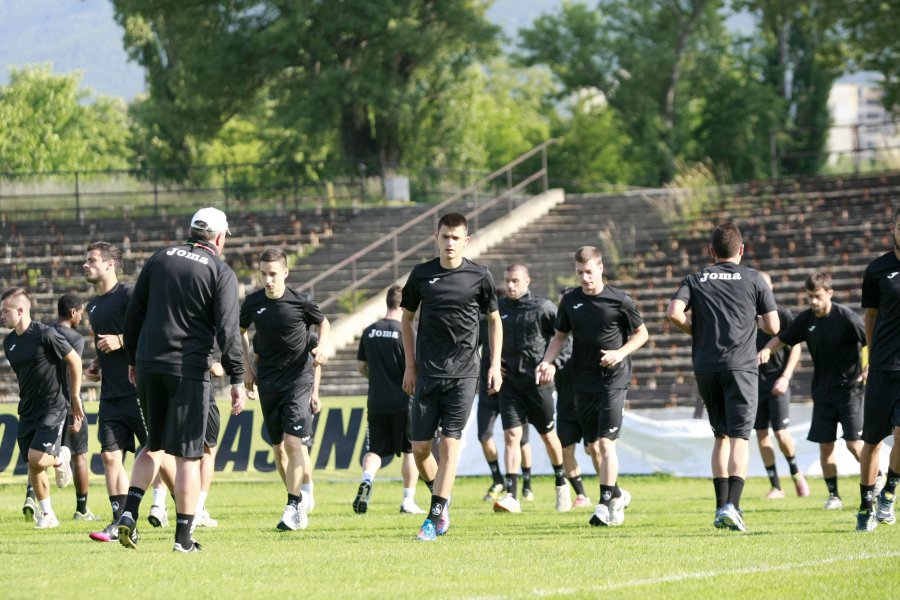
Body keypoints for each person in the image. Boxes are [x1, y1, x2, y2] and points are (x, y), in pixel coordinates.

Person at [117, 207, 246, 552]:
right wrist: (237, 378)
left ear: (192, 231)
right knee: (189, 457)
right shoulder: (220, 272)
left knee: (153, 445)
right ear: (219, 238)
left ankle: (128, 513)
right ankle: (183, 539)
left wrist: (132, 359)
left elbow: (134, 314)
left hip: (148, 363)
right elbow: (228, 331)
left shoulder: (159, 259)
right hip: (187, 370)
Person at [666, 223, 779, 532]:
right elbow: (774, 325)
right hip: (741, 366)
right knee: (741, 437)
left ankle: (720, 508)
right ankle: (734, 506)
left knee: (720, 436)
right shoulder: (754, 278)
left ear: (711, 252)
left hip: (706, 367)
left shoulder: (696, 278)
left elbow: (673, 312)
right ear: (741, 250)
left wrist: (695, 331)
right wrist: (751, 320)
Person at [401, 212, 502, 541]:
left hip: (463, 374)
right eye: (445, 237)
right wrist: (410, 366)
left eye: (456, 238)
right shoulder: (421, 275)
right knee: (419, 449)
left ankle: (433, 519)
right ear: (436, 237)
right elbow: (406, 319)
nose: (450, 243)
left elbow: (494, 320)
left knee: (449, 445)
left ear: (466, 240)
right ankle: (441, 501)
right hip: (428, 373)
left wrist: (493, 363)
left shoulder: (480, 276)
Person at [537, 247, 648, 527]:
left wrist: (620, 353)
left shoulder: (619, 300)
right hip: (582, 382)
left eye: (589, 272)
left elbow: (642, 333)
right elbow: (560, 336)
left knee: (605, 443)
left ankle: (605, 504)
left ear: (600, 268)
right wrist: (547, 361)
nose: (585, 278)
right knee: (592, 449)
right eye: (579, 273)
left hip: (614, 379)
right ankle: (617, 495)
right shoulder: (570, 301)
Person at [82, 241, 174, 543]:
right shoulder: (92, 307)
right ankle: (120, 520)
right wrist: (97, 363)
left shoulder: (130, 294)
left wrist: (121, 340)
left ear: (110, 264)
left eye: (92, 260)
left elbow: (155, 329)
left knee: (158, 453)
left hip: (140, 390)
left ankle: (188, 507)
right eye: (86, 260)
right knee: (110, 457)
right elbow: (104, 345)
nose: (86, 265)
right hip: (111, 394)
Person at [759, 272, 871, 510]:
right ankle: (834, 496)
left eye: (818, 296)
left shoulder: (847, 318)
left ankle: (876, 480)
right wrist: (768, 349)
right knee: (825, 446)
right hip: (822, 393)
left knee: (854, 444)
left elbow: (873, 341)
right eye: (810, 296)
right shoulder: (806, 319)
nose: (813, 301)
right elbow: (782, 338)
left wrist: (868, 368)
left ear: (829, 293)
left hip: (850, 391)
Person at [240, 247, 329, 532]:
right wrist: (247, 369)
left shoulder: (301, 301)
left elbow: (323, 322)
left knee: (293, 443)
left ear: (285, 273)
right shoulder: (253, 303)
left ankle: (294, 504)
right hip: (268, 381)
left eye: (273, 274)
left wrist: (323, 347)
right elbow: (239, 332)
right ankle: (299, 494)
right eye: (264, 274)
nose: (268, 280)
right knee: (279, 448)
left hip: (298, 380)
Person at [2, 287, 84, 529]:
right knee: (33, 464)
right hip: (27, 409)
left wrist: (75, 396)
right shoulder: (9, 343)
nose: (2, 316)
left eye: (5, 311)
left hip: (53, 406)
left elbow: (75, 361)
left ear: (20, 310)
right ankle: (48, 514)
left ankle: (59, 458)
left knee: (35, 457)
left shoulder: (46, 334)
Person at [493, 264, 571, 514]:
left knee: (548, 437)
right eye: (507, 281)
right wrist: (493, 366)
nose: (510, 285)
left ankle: (561, 483)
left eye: (515, 281)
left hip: (538, 385)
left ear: (527, 281)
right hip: (510, 386)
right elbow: (487, 341)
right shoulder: (499, 310)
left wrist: (553, 364)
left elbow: (564, 339)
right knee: (511, 437)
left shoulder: (543, 307)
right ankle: (511, 496)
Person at [353, 285, 426, 515]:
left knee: (374, 449)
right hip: (404, 401)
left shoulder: (369, 331)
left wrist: (376, 378)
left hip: (376, 401)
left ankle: (367, 479)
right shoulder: (406, 332)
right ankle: (407, 500)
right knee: (409, 451)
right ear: (404, 305)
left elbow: (361, 367)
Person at [856, 207, 900, 532]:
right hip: (883, 367)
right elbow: (869, 317)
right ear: (892, 228)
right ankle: (864, 506)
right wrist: (871, 356)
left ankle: (889, 493)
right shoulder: (876, 270)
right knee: (871, 441)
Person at [752, 272, 809, 500]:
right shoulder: (746, 312)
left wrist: (785, 377)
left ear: (771, 288)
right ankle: (776, 486)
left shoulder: (782, 314)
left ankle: (796, 474)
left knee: (781, 433)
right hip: (754, 382)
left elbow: (795, 346)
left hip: (777, 380)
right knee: (761, 434)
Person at [476, 288, 534, 503]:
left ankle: (526, 483)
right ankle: (498, 478)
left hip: (512, 389)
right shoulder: (484, 324)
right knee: (483, 436)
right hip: (487, 389)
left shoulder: (515, 324)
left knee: (520, 440)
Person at [54, 293, 99, 520]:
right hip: (70, 403)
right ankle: (81, 510)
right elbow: (74, 371)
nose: (81, 317)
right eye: (81, 312)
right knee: (79, 455)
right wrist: (76, 404)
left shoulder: (46, 333)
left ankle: (32, 499)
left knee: (39, 455)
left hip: (48, 403)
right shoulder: (75, 339)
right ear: (73, 312)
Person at [553, 287, 593, 509]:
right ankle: (581, 495)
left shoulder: (585, 331)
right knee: (565, 448)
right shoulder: (555, 335)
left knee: (593, 449)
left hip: (588, 399)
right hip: (566, 401)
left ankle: (612, 491)